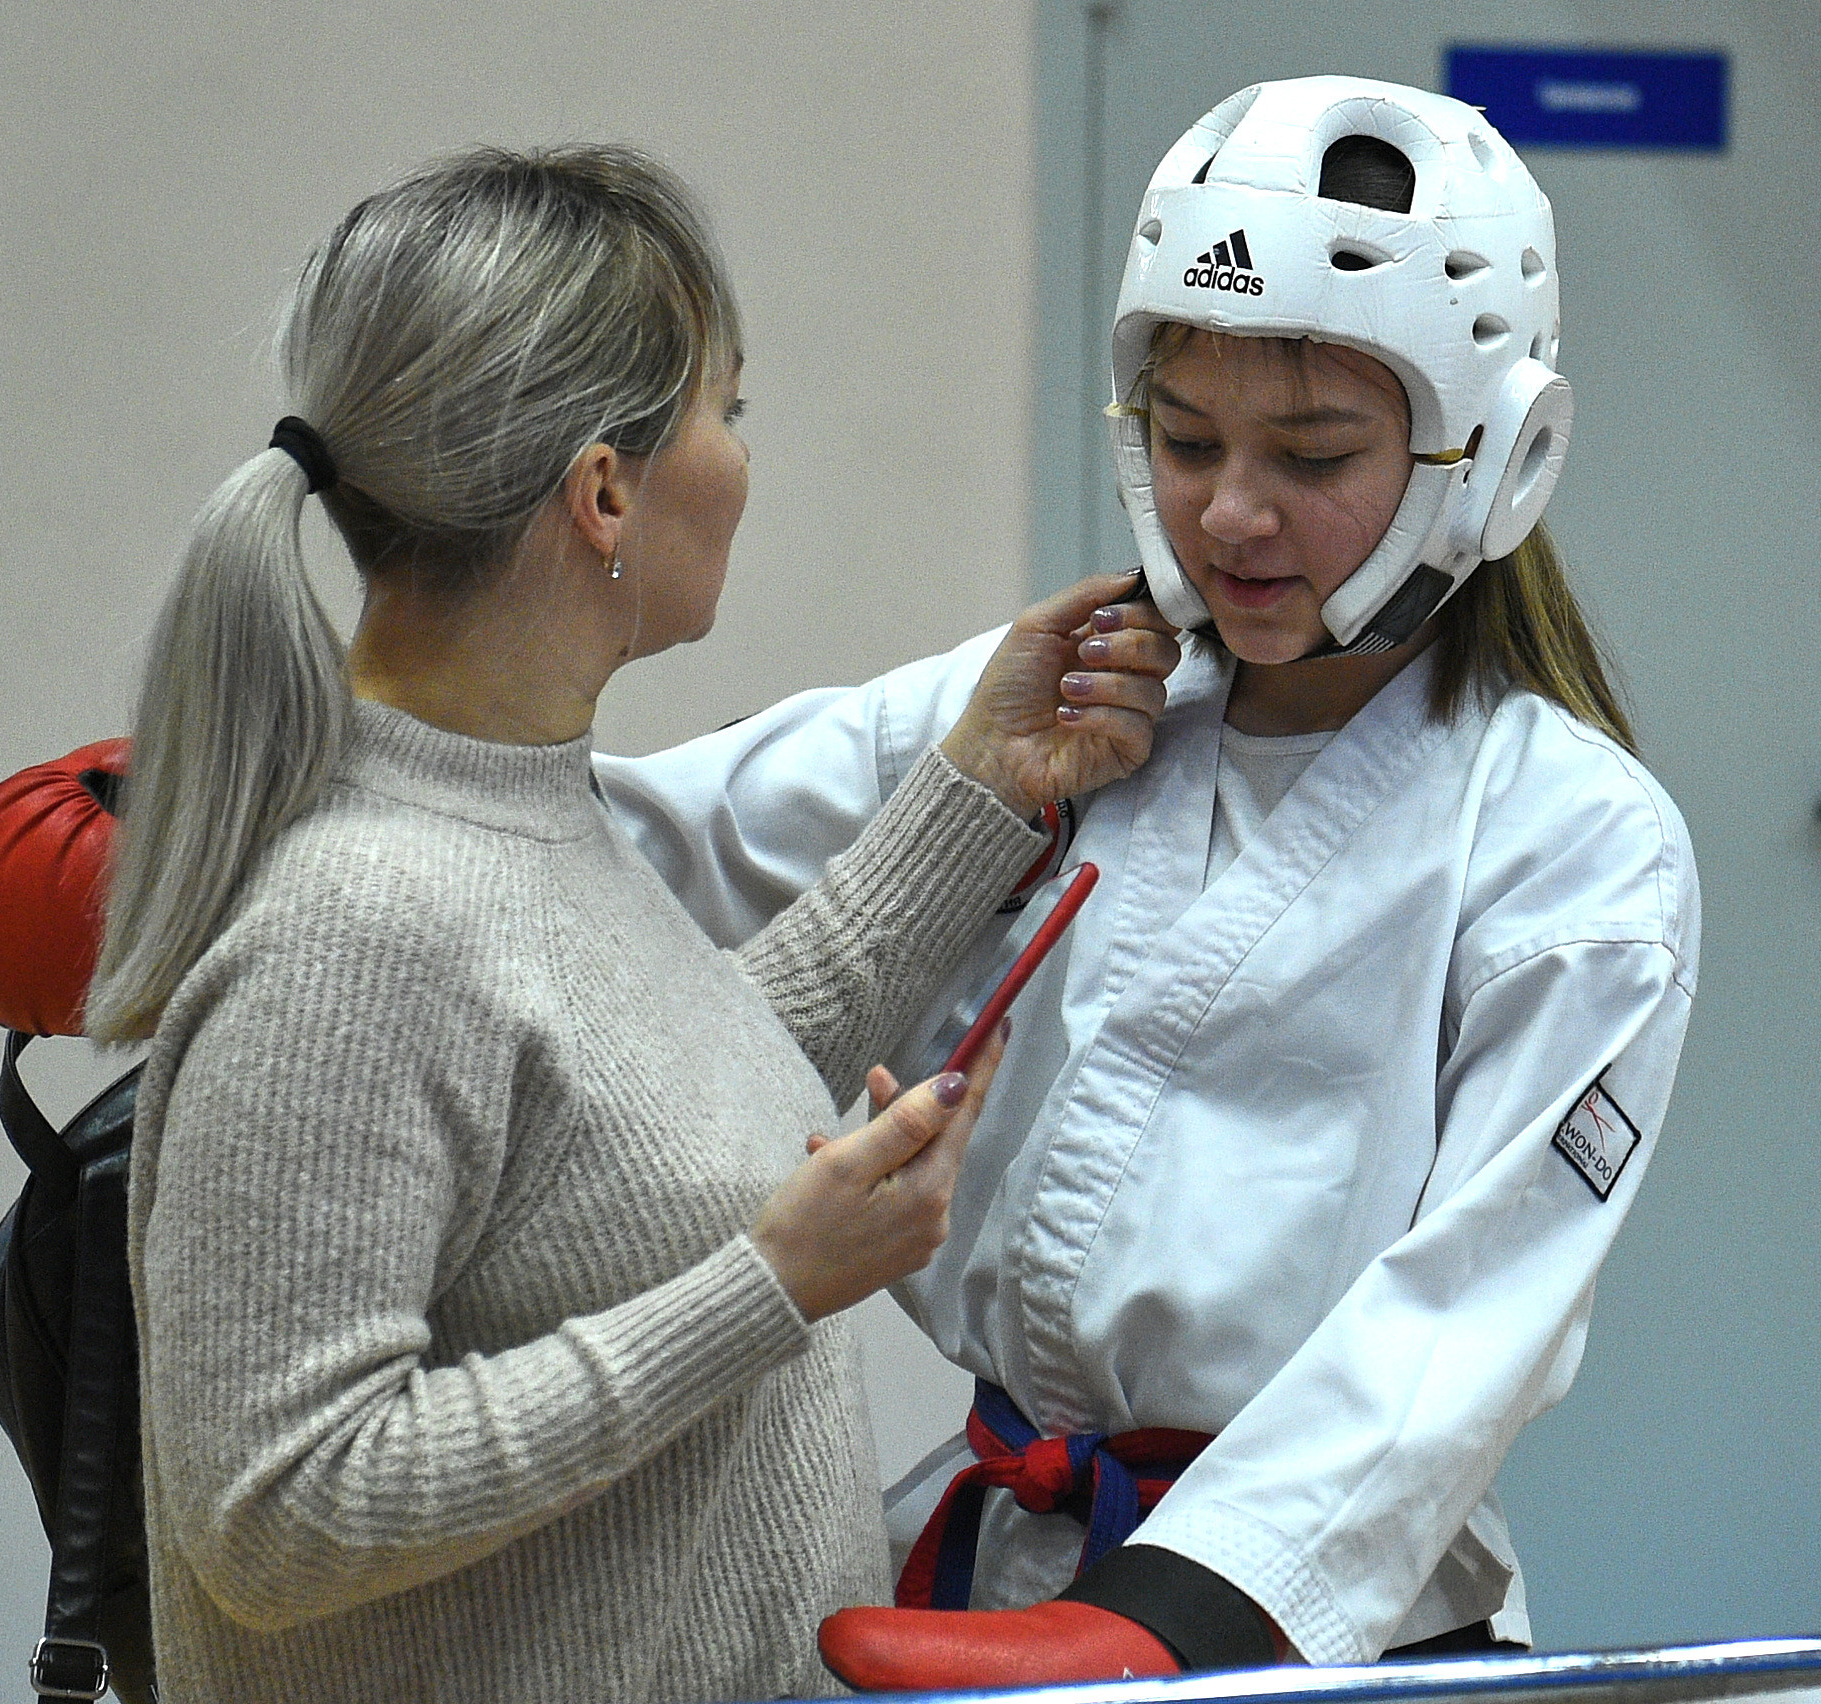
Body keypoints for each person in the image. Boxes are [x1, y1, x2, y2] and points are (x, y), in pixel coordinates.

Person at [597, 76, 1703, 1688]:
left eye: (1313, 454)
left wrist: (1177, 1617)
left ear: (1493, 459)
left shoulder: (1569, 841)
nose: (1233, 511)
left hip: (1316, 1628)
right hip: (996, 1584)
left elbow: (1472, 1312)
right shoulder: (1054, 703)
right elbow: (663, 847)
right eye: (1185, 442)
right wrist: (250, 814)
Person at [86, 146, 1178, 1704]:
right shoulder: (354, 924)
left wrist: (985, 788)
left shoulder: (518, 807)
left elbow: (627, 1128)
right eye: (729, 411)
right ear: (603, 491)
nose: (742, 458)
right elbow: (276, 1513)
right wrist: (773, 1286)